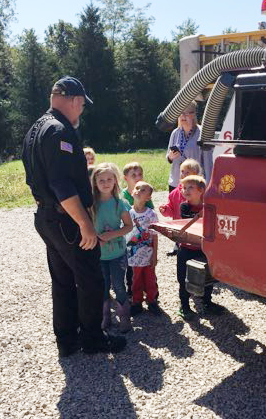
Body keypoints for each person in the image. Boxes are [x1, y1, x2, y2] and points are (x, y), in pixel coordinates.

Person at [22, 75, 126, 357]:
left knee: (64, 279)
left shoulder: (36, 128)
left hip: (47, 217)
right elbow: (61, 184)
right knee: (90, 278)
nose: (81, 110)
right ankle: (93, 339)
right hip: (66, 220)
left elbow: (35, 179)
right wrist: (84, 223)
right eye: (81, 104)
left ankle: (67, 340)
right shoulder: (59, 131)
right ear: (73, 100)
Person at [91, 163, 133, 333]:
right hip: (98, 255)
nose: (106, 183)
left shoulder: (119, 203)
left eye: (109, 179)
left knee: (119, 285)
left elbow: (129, 226)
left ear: (115, 181)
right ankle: (105, 317)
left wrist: (111, 235)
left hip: (117, 254)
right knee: (102, 286)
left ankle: (124, 318)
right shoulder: (91, 204)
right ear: (95, 182)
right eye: (101, 180)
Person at [177, 175, 224, 320]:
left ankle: (207, 302)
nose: (186, 190)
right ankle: (184, 306)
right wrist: (200, 215)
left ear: (201, 190)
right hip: (185, 249)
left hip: (203, 249)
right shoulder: (184, 206)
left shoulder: (208, 206)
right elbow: (188, 224)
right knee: (183, 278)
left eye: (190, 187)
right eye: (184, 188)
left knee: (207, 277)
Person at [126, 181, 161, 316]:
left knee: (150, 279)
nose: (138, 191)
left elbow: (155, 236)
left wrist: (155, 255)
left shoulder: (151, 214)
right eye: (137, 188)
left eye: (143, 190)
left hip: (148, 253)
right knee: (136, 280)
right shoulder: (127, 213)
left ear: (148, 197)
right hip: (133, 255)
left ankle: (152, 301)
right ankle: (137, 302)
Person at [121, 162, 154, 298]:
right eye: (133, 175)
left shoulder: (146, 192)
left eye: (140, 174)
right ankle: (133, 293)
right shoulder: (122, 197)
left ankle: (150, 292)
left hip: (144, 238)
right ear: (126, 178)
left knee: (147, 267)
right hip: (128, 237)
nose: (138, 177)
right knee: (131, 268)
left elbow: (150, 213)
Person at [166, 101, 213, 192]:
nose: (182, 116)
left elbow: (208, 163)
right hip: (175, 182)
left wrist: (207, 185)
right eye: (180, 113)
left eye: (186, 113)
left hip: (194, 184)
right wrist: (170, 157)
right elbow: (168, 157)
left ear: (193, 114)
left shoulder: (203, 133)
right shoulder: (175, 133)